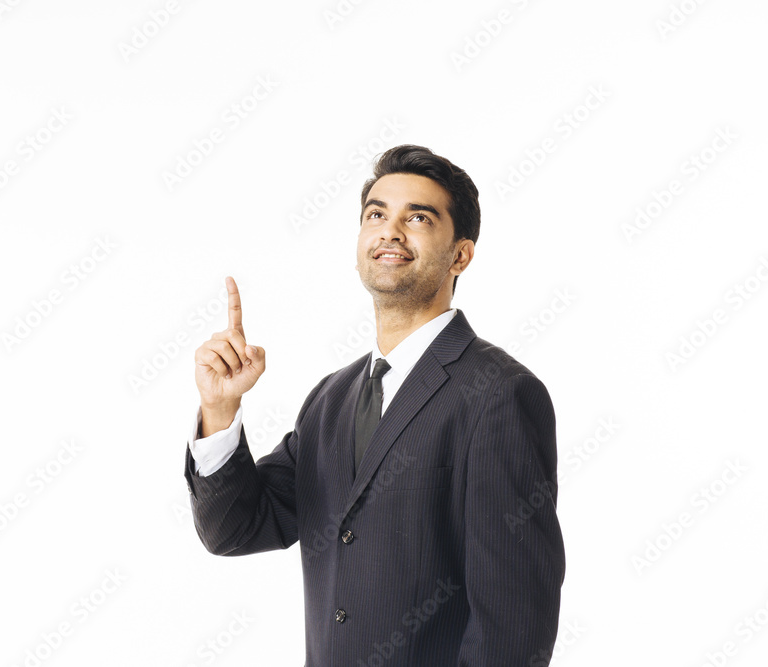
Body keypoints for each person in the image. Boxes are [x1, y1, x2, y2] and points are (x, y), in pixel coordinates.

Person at [183, 144, 565, 666]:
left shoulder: (499, 394)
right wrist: (220, 410)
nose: (390, 230)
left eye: (419, 218)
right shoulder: (330, 400)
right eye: (376, 215)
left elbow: (515, 622)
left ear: (460, 254)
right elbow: (237, 529)